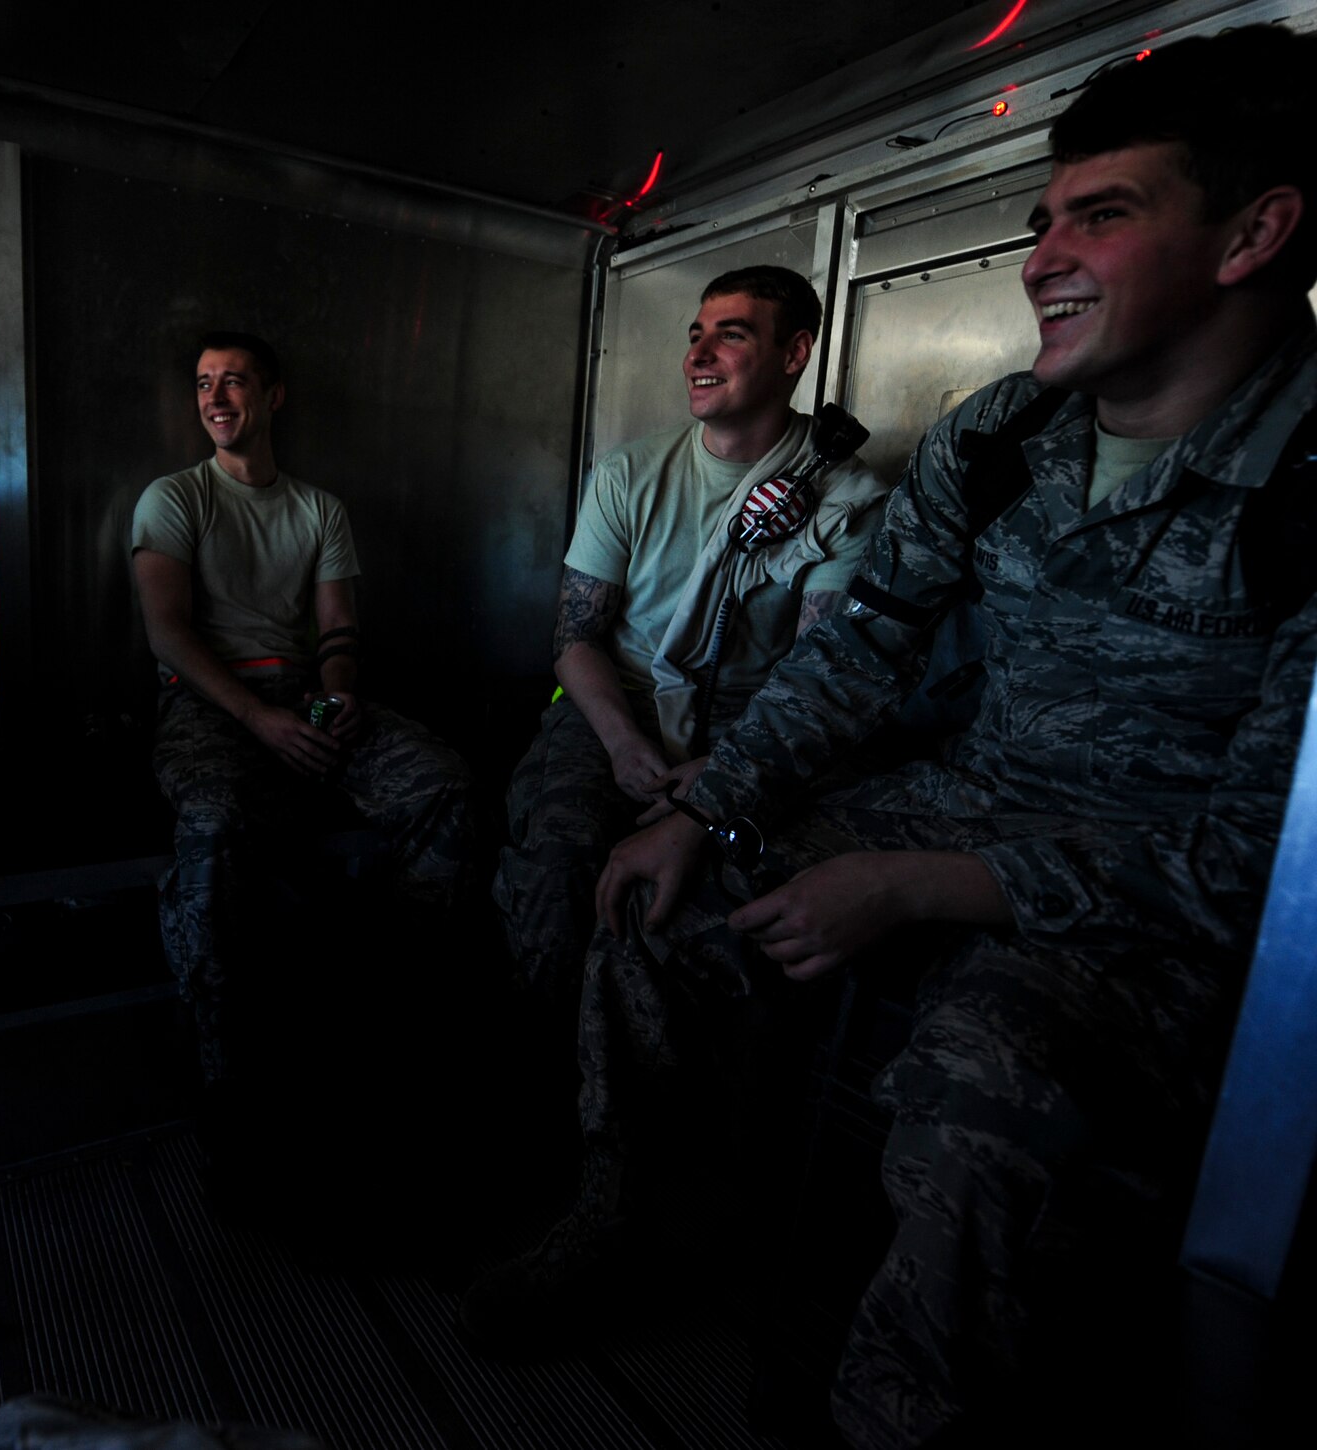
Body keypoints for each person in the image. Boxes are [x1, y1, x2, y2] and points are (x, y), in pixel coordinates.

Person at [463, 26, 1317, 1447]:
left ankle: (892, 1410)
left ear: (1256, 233)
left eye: (1102, 217)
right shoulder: (1002, 437)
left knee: (987, 1073)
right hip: (962, 801)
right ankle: (630, 1215)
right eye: (1042, 217)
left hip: (1157, 899)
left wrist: (926, 889)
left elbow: (1262, 874)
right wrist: (701, 811)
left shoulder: (1304, 484)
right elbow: (858, 654)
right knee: (654, 903)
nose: (1044, 255)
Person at [493, 266, 889, 1009]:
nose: (698, 355)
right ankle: (537, 1051)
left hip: (756, 722)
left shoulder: (843, 498)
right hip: (619, 703)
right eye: (695, 336)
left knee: (697, 903)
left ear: (795, 353)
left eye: (730, 336)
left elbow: (820, 671)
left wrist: (725, 766)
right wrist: (620, 744)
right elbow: (576, 641)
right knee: (558, 860)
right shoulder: (630, 475)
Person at [131, 332, 473, 1098]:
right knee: (215, 819)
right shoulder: (176, 498)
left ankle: (394, 1001)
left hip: (299, 695)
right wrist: (257, 717)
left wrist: (339, 693)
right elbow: (168, 633)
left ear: (272, 396)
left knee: (441, 785)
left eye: (234, 382)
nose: (215, 398)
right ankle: (222, 1054)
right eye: (203, 384)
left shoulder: (318, 509)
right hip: (210, 704)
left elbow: (337, 631)